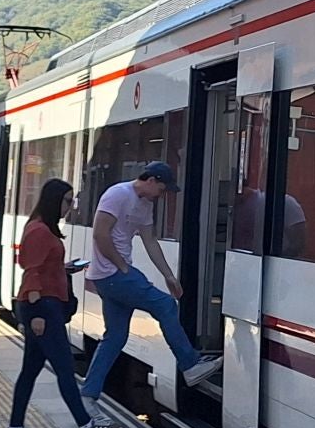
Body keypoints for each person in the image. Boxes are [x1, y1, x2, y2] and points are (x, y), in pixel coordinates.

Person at [80, 162, 221, 410]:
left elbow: (150, 241)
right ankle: (190, 364)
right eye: (163, 189)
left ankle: (88, 394)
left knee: (115, 338)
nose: (162, 195)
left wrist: (168, 275)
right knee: (165, 305)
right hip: (113, 274)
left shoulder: (145, 205)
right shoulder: (117, 194)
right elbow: (100, 233)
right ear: (152, 180)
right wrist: (122, 266)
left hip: (109, 276)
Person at [7, 179, 120, 428]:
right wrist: (35, 314)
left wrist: (63, 268)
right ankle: (86, 424)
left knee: (30, 371)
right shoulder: (39, 231)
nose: (71, 207)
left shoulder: (42, 229)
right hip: (43, 307)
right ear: (54, 199)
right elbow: (31, 271)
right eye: (68, 201)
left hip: (44, 305)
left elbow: (41, 266)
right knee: (64, 367)